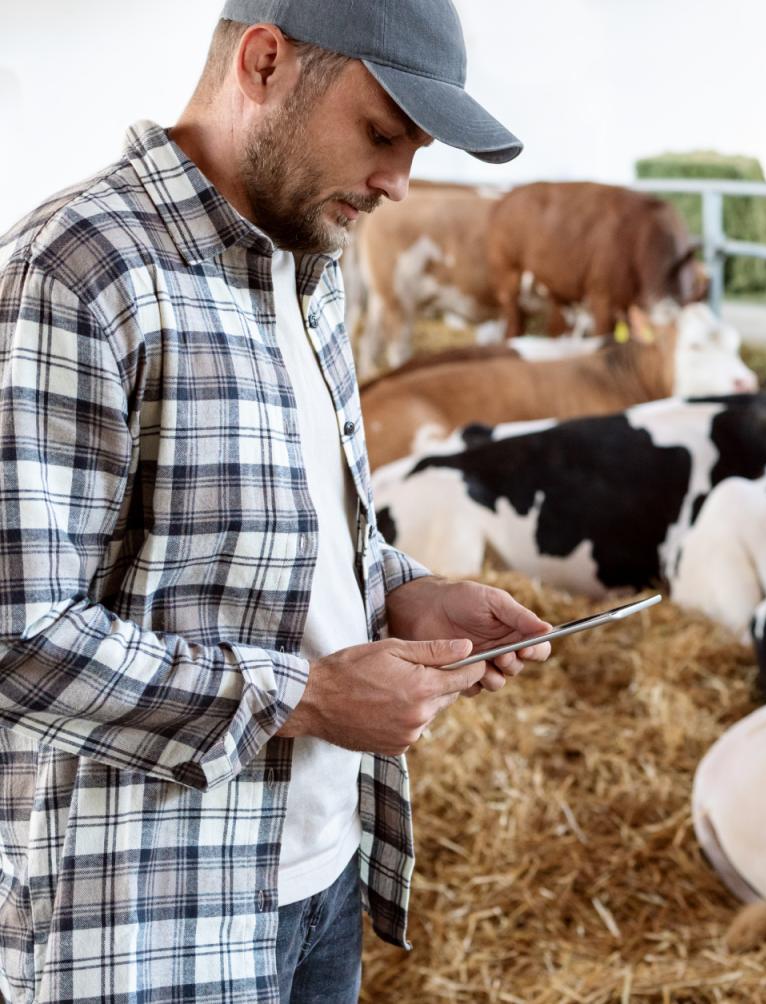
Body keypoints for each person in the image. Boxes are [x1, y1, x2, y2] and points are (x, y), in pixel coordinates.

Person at [0, 1, 550, 1000]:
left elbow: (298, 532)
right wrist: (315, 696)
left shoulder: (308, 266)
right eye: (383, 134)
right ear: (263, 61)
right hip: (149, 914)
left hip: (323, 877)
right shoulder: (76, 272)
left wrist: (402, 590)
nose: (398, 183)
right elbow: (19, 635)